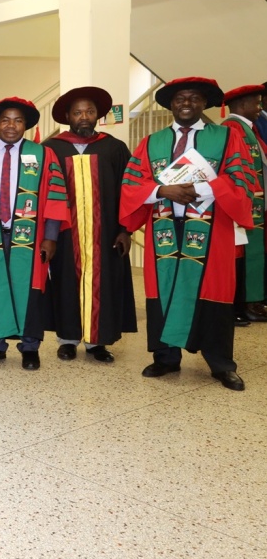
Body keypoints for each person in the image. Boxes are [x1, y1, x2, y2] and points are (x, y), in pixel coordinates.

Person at [121, 77, 252, 391]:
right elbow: (131, 184)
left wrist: (202, 188)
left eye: (194, 98)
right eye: (180, 98)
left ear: (204, 103)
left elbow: (242, 179)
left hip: (212, 229)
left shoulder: (226, 138)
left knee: (215, 295)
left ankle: (221, 364)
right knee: (163, 290)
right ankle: (166, 358)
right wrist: (161, 190)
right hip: (163, 229)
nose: (187, 104)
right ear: (171, 104)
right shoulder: (150, 142)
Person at [43, 86, 137, 362]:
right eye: (77, 112)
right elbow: (44, 192)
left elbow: (128, 190)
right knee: (64, 283)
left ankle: (97, 341)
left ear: (98, 115)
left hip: (105, 232)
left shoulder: (114, 147)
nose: (84, 116)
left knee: (103, 284)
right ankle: (67, 339)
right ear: (67, 116)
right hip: (64, 232)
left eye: (90, 111)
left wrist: (125, 229)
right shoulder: (52, 148)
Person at [0, 97, 69, 371]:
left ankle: (30, 347)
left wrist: (51, 236)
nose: (11, 125)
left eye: (18, 120)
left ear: (25, 124)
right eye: (5, 119)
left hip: (31, 235)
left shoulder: (43, 155)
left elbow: (55, 196)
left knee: (30, 289)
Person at [221, 84, 267, 323]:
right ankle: (246, 304)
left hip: (254, 204)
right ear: (242, 105)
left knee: (254, 253)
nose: (260, 108)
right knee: (244, 256)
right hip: (244, 205)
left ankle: (253, 302)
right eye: (257, 103)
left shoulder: (247, 128)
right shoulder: (232, 127)